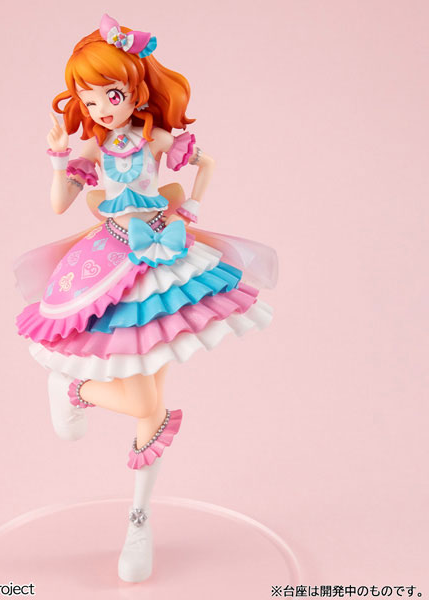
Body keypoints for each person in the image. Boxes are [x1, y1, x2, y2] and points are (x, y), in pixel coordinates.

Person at [14, 13, 278, 583]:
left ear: (134, 89)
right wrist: (58, 159)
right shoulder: (95, 146)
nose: (102, 107)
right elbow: (59, 203)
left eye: (110, 94)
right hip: (112, 261)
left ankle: (139, 520)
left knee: (153, 402)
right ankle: (73, 388)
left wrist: (193, 204)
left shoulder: (154, 138)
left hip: (162, 254)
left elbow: (205, 162)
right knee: (141, 403)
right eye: (90, 97)